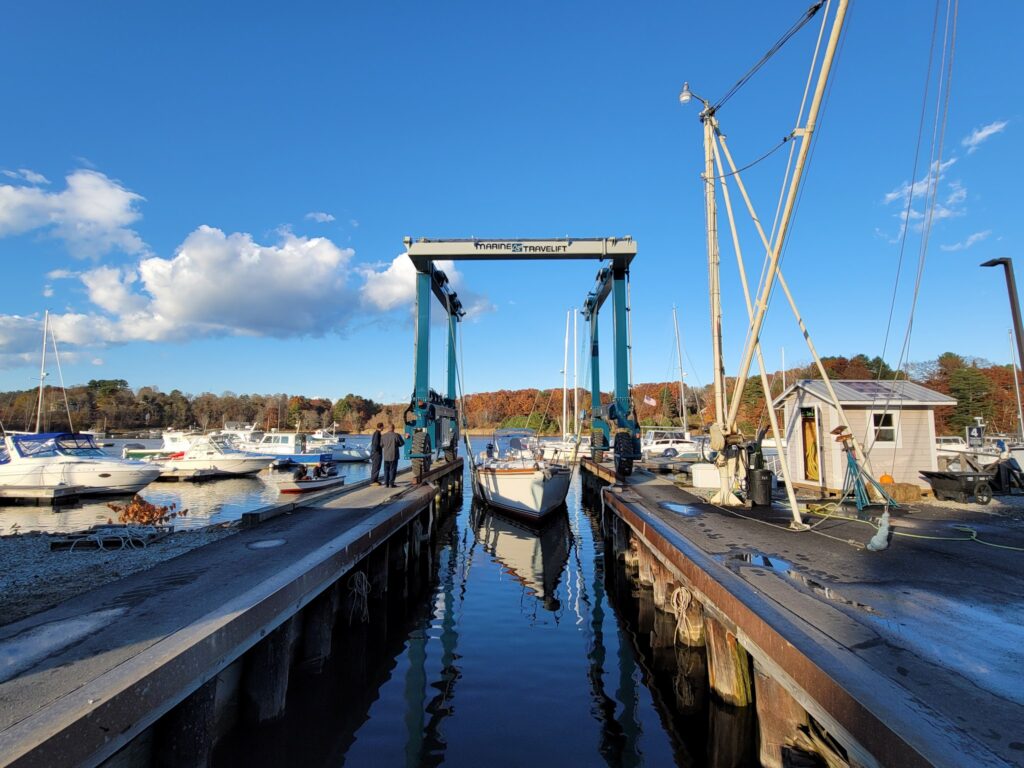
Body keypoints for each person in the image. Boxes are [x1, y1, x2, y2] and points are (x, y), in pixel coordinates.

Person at [380, 423, 404, 488]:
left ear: (388, 428)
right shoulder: (397, 435)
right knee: (392, 470)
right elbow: (402, 443)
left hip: (386, 456)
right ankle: (391, 484)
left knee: (386, 470)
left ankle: (386, 484)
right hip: (394, 456)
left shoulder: (383, 436)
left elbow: (381, 445)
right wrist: (396, 445)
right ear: (393, 428)